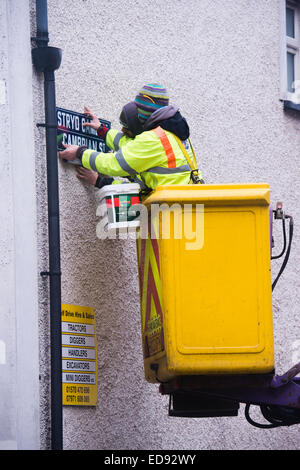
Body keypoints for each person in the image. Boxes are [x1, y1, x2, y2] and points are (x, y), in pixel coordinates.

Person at [59, 84, 203, 193]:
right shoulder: (172, 133)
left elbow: (115, 164)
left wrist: (80, 152)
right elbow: (132, 145)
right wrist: (102, 131)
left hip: (169, 219)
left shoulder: (154, 140)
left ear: (144, 114)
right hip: (181, 212)